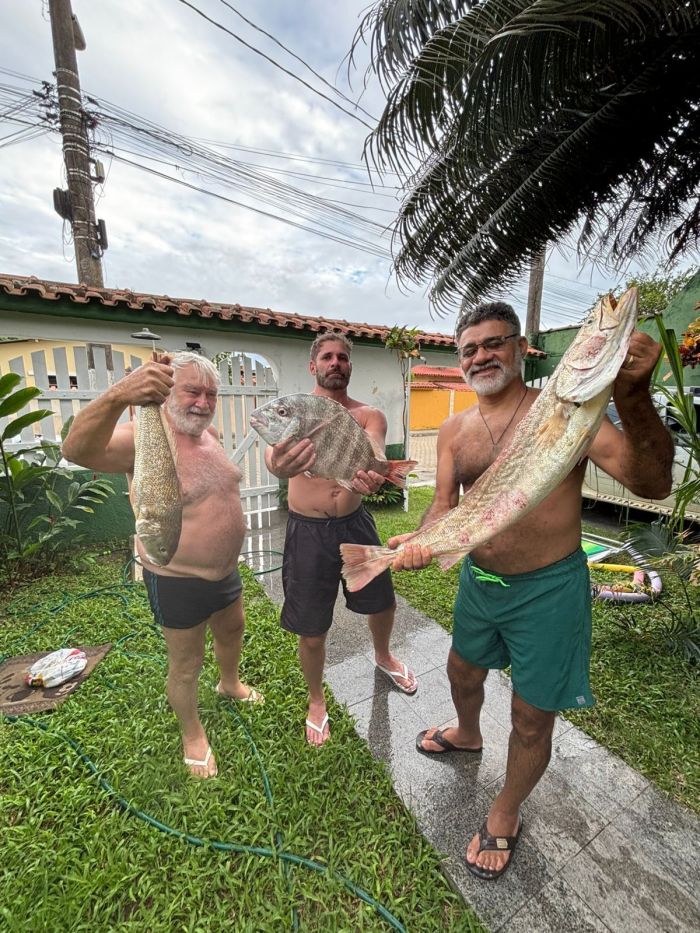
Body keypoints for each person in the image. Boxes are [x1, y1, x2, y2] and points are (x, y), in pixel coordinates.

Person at [389, 301, 673, 880]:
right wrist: (422, 541)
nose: (480, 357)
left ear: (521, 349)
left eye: (494, 343)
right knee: (462, 672)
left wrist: (633, 395)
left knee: (530, 716)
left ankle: (507, 808)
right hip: (479, 583)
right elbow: (443, 507)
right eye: (469, 349)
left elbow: (652, 483)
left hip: (549, 590)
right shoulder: (454, 430)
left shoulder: (568, 411)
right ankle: (468, 733)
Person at [62, 351, 262, 779]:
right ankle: (192, 734)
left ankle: (229, 683)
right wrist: (119, 395)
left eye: (211, 394)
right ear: (168, 392)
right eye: (192, 391)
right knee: (186, 663)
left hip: (226, 572)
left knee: (232, 629)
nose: (203, 403)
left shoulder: (208, 436)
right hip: (177, 578)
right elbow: (75, 449)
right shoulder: (142, 437)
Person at [265, 332, 418, 746]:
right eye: (328, 357)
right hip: (307, 531)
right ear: (312, 366)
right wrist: (279, 463)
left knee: (382, 602)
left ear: (350, 366)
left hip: (355, 523)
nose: (336, 363)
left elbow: (373, 451)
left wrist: (376, 472)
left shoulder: (369, 415)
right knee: (311, 627)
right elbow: (274, 459)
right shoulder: (295, 411)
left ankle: (384, 656)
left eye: (343, 357)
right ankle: (316, 700)